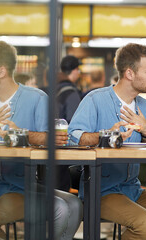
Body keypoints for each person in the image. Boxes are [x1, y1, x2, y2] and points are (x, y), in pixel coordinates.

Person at [0, 41, 82, 240]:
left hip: (29, 188)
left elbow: (57, 141)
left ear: (1, 71)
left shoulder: (37, 99)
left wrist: (20, 134)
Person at [56, 43, 146, 240]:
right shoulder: (95, 100)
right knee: (145, 223)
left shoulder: (145, 107)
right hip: (99, 191)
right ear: (129, 73)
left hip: (132, 188)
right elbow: (72, 137)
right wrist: (106, 136)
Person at [55, 55, 83, 192]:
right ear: (75, 70)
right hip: (63, 147)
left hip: (51, 147)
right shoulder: (71, 93)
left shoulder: (53, 88)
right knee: (62, 192)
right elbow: (75, 125)